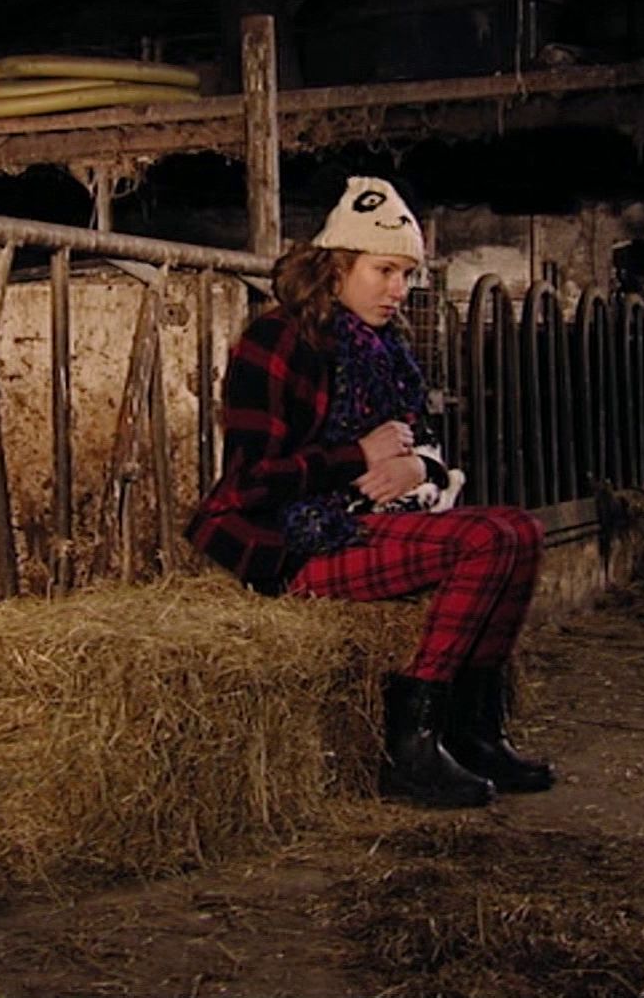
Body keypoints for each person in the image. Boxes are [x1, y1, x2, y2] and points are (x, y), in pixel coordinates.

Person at [186, 175, 555, 809]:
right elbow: (251, 483)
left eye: (406, 275)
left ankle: (474, 733)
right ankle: (410, 746)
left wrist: (420, 471)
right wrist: (355, 456)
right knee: (487, 540)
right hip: (294, 539)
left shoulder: (383, 350)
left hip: (369, 520)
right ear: (336, 269)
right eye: (384, 270)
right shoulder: (275, 341)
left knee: (523, 530)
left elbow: (423, 446)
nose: (398, 290)